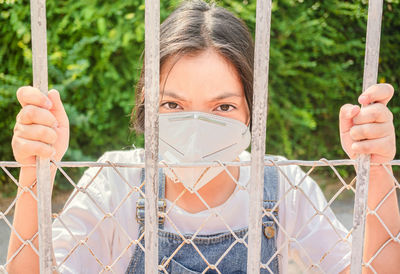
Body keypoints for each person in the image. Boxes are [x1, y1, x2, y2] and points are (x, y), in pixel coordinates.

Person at [6, 0, 400, 273]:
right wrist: (35, 171)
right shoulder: (115, 182)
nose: (195, 128)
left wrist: (377, 167)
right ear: (147, 105)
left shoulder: (282, 187)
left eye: (223, 107)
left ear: (251, 111)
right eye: (173, 105)